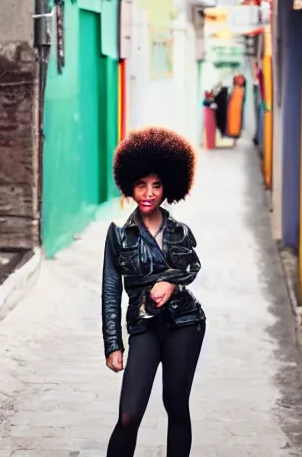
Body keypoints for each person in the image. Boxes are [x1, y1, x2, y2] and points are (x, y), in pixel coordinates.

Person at [103, 127, 205, 457]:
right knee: (128, 415)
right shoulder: (118, 235)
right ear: (130, 185)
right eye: (141, 185)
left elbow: (193, 265)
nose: (149, 193)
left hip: (185, 323)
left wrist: (171, 282)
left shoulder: (178, 230)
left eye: (157, 185)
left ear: (168, 187)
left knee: (175, 405)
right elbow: (110, 292)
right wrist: (113, 344)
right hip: (144, 327)